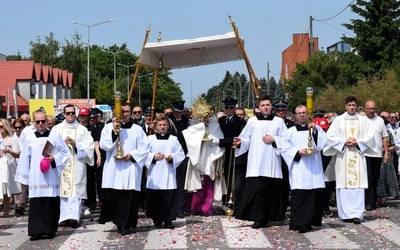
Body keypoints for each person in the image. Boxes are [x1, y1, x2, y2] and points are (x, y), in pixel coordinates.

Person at [233, 95, 287, 229]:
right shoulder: (252, 122)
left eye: (268, 105)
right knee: (257, 193)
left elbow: (286, 140)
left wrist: (274, 139)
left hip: (272, 162)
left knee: (270, 193)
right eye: (263, 105)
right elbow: (246, 139)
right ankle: (258, 219)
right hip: (256, 163)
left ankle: (268, 218)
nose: (266, 107)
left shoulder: (279, 122)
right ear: (259, 107)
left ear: (271, 107)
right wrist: (240, 142)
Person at [15, 110, 70, 241]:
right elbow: (24, 159)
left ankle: (49, 230)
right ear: (33, 122)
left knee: (50, 202)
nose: (40, 124)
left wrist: (54, 158)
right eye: (37, 121)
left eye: (43, 121)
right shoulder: (29, 138)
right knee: (36, 203)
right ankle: (36, 231)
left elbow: (65, 153)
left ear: (47, 121)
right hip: (35, 176)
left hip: (50, 175)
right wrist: (24, 179)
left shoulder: (55, 136)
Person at [99, 103, 150, 235]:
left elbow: (145, 147)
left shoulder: (137, 129)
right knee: (116, 196)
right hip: (114, 166)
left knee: (129, 196)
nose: (125, 114)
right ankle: (119, 222)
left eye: (127, 111)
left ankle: (128, 223)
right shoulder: (108, 127)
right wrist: (114, 132)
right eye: (122, 111)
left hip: (130, 167)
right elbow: (105, 145)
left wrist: (132, 155)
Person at [323, 96, 374, 224]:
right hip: (343, 156)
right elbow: (330, 136)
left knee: (357, 186)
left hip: (357, 154)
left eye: (353, 105)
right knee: (344, 185)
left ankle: (357, 214)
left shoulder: (364, 120)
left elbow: (370, 136)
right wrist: (344, 142)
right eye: (349, 105)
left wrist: (358, 142)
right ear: (345, 106)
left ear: (357, 106)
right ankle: (345, 214)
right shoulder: (339, 120)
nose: (351, 107)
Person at [281, 105, 327, 233]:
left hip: (313, 166)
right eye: (299, 113)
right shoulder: (290, 131)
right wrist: (297, 152)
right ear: (295, 115)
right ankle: (300, 222)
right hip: (299, 167)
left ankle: (309, 222)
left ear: (308, 114)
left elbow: (323, 144)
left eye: (304, 113)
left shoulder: (316, 128)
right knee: (299, 196)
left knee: (312, 196)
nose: (302, 115)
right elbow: (284, 149)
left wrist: (315, 132)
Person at [51, 104, 94, 228]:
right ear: (64, 114)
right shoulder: (57, 129)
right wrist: (61, 144)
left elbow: (89, 146)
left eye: (72, 113)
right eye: (68, 113)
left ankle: (74, 217)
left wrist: (77, 145)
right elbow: (50, 145)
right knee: (63, 191)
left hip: (77, 163)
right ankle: (64, 217)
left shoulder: (82, 130)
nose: (70, 115)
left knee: (76, 190)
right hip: (62, 164)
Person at [183, 106, 225, 216]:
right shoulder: (194, 124)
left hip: (210, 155)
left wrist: (216, 141)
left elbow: (219, 136)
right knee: (196, 182)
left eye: (207, 115)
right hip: (197, 156)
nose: (205, 117)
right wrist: (198, 138)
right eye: (202, 115)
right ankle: (193, 207)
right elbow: (188, 136)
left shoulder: (215, 125)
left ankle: (206, 208)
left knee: (209, 182)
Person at [145, 115, 185, 228]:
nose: (162, 127)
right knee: (155, 197)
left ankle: (169, 220)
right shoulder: (150, 139)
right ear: (156, 127)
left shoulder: (174, 139)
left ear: (168, 126)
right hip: (155, 172)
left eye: (164, 125)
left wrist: (172, 157)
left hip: (168, 172)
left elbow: (180, 153)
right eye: (160, 125)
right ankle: (156, 219)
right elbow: (144, 154)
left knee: (169, 196)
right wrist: (153, 156)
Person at [215, 98, 247, 211]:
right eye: (227, 108)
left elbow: (236, 138)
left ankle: (236, 204)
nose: (229, 110)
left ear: (235, 108)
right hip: (224, 154)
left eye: (231, 108)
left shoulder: (240, 121)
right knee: (225, 180)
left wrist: (220, 142)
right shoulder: (221, 120)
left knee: (237, 182)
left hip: (235, 153)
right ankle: (226, 201)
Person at [364, 100, 389, 210]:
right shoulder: (362, 120)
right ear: (365, 109)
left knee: (376, 177)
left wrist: (386, 152)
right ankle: (368, 202)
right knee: (368, 177)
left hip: (377, 153)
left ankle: (373, 200)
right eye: (369, 108)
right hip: (365, 153)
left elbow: (384, 137)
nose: (371, 111)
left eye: (373, 108)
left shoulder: (380, 120)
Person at [274, 100, 295, 221]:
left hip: (286, 159)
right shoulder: (272, 123)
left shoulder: (291, 125)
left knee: (285, 187)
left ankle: (282, 211)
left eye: (283, 110)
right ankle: (276, 210)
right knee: (275, 186)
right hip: (275, 157)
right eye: (278, 110)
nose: (281, 112)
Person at [167, 101, 189, 218]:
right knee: (170, 182)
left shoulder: (185, 120)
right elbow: (169, 135)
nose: (178, 114)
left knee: (180, 183)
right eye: (176, 112)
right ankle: (170, 207)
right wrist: (183, 134)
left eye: (180, 112)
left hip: (183, 153)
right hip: (171, 154)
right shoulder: (168, 120)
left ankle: (179, 209)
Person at [85, 108, 105, 213]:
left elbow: (97, 142)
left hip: (100, 155)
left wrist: (100, 157)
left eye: (94, 117)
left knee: (100, 180)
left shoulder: (102, 126)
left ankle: (102, 201)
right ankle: (91, 202)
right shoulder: (86, 128)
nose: (92, 119)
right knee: (90, 181)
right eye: (91, 117)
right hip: (89, 156)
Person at [0, 119, 21, 216]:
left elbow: (18, 154)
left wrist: (9, 151)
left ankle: (6, 209)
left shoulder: (12, 139)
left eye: (1, 127)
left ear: (5, 127)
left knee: (6, 188)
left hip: (9, 167)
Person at [12, 118, 26, 215]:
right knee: (16, 184)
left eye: (19, 127)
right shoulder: (13, 137)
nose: (17, 129)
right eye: (15, 127)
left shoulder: (26, 136)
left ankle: (21, 205)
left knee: (23, 185)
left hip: (24, 162)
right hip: (14, 162)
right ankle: (17, 203)